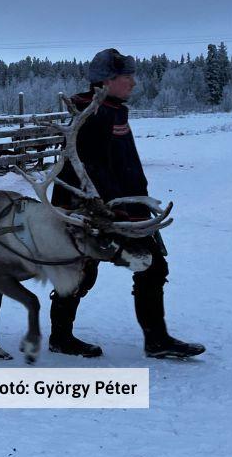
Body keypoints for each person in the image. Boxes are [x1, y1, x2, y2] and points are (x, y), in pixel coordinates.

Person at [49, 48, 205, 360]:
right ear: (106, 81)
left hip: (123, 209)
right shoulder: (94, 115)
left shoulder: (111, 110)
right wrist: (113, 210)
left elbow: (118, 165)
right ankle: (64, 337)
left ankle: (153, 339)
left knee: (146, 267)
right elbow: (91, 170)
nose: (133, 82)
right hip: (97, 211)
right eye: (127, 76)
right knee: (87, 269)